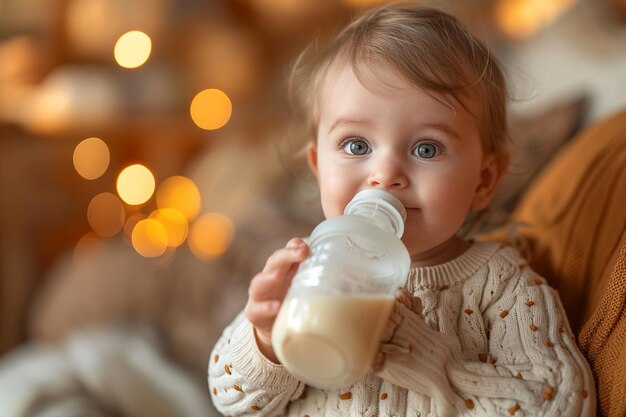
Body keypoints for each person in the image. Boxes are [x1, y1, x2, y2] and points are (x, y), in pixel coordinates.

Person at [207, 4, 596, 416]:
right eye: (357, 145)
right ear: (319, 166)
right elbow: (234, 401)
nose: (385, 174)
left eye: (426, 148)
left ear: (483, 181)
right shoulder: (307, 269)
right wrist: (266, 342)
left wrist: (429, 360)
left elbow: (562, 404)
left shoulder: (500, 285)